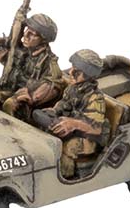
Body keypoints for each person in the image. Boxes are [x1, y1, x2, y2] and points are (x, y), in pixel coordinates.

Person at [32, 49, 109, 178]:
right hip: (69, 128)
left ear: (88, 76)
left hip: (89, 138)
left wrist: (73, 124)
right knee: (42, 129)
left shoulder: (95, 98)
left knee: (67, 148)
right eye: (72, 68)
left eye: (77, 72)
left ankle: (66, 176)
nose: (70, 72)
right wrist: (54, 111)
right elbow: (64, 104)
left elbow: (96, 128)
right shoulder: (73, 88)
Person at [0, 12, 64, 118]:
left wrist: (32, 97)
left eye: (33, 34)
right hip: (10, 90)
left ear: (43, 40)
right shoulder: (22, 50)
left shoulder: (49, 63)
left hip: (26, 103)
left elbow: (53, 86)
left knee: (9, 105)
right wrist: (5, 54)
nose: (26, 35)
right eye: (27, 30)